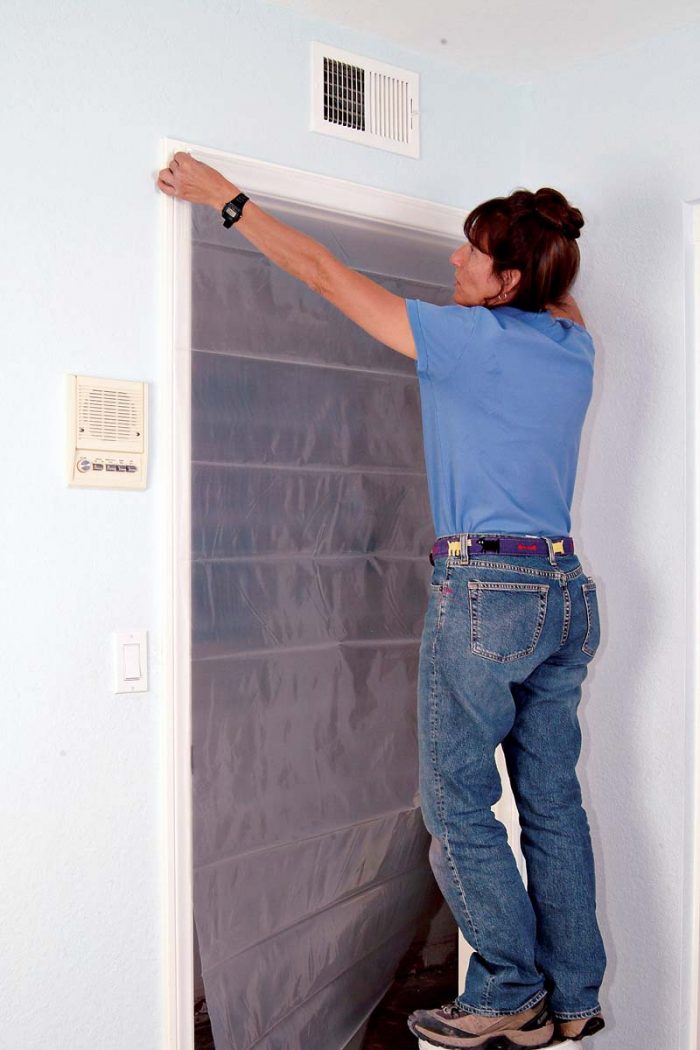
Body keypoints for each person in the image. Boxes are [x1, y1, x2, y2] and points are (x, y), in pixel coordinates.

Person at [157, 153, 607, 1049]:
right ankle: (574, 995)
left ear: (506, 279)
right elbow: (560, 297)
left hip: (486, 589)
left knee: (455, 802)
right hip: (565, 591)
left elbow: (326, 275)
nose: (454, 264)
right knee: (552, 802)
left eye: (471, 255)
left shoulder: (465, 336)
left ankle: (507, 992)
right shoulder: (572, 342)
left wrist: (227, 199)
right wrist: (531, 276)